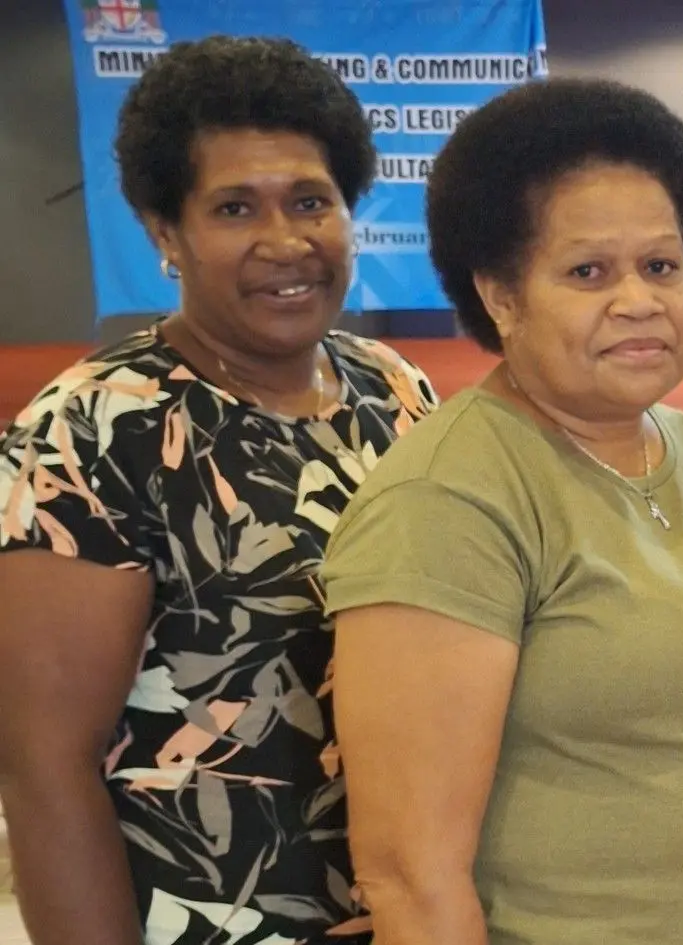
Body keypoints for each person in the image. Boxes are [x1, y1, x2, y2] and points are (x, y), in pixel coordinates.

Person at [321, 78, 683, 945]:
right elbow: (411, 875)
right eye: (588, 272)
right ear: (501, 295)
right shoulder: (449, 500)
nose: (639, 300)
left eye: (662, 264)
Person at [0, 36, 436, 945]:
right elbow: (45, 768)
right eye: (235, 207)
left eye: (311, 201)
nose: (286, 242)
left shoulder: (392, 389)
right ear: (166, 231)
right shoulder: (89, 433)